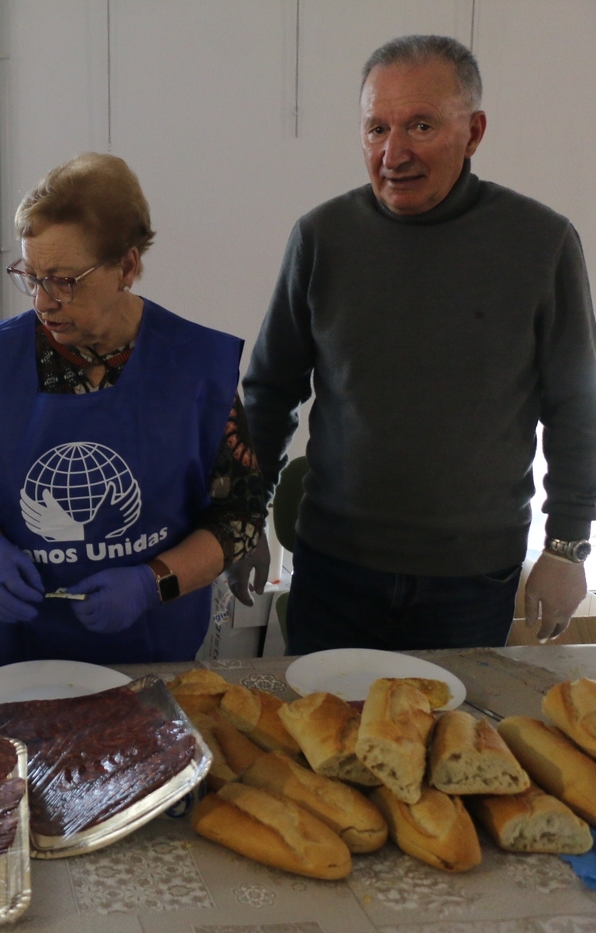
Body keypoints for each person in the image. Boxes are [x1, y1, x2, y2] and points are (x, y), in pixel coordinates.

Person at [243, 35, 596, 653]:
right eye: (377, 128)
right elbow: (269, 394)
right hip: (333, 569)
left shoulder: (540, 243)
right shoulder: (322, 238)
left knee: (456, 717)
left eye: (421, 126)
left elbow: (577, 409)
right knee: (324, 717)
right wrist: (244, 518)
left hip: (471, 580)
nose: (393, 153)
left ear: (473, 132)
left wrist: (567, 548)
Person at [0, 153, 266, 667]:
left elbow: (240, 513)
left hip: (152, 651)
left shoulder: (191, 368)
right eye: (32, 276)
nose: (42, 302)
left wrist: (153, 582)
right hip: (21, 653)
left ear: (126, 267)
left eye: (64, 280)